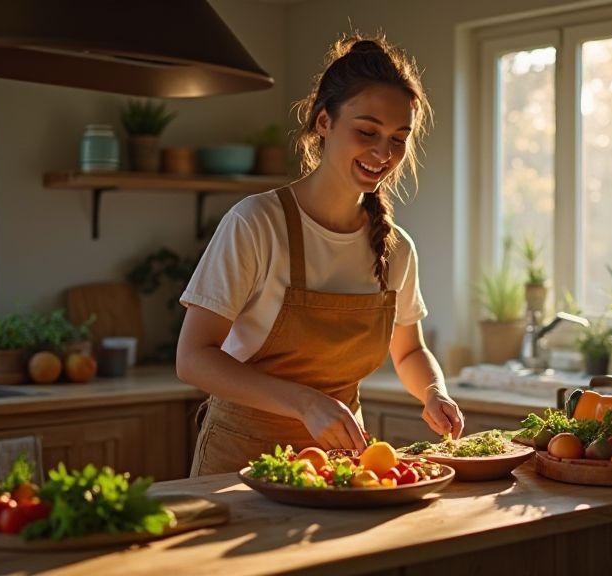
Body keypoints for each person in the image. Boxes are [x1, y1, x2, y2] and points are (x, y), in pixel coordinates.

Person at [176, 34, 465, 476]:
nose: (383, 153)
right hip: (239, 463)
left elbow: (408, 352)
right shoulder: (256, 223)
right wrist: (305, 403)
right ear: (325, 122)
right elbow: (194, 356)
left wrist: (433, 392)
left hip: (343, 467)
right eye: (367, 131)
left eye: (398, 138)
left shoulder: (396, 248)